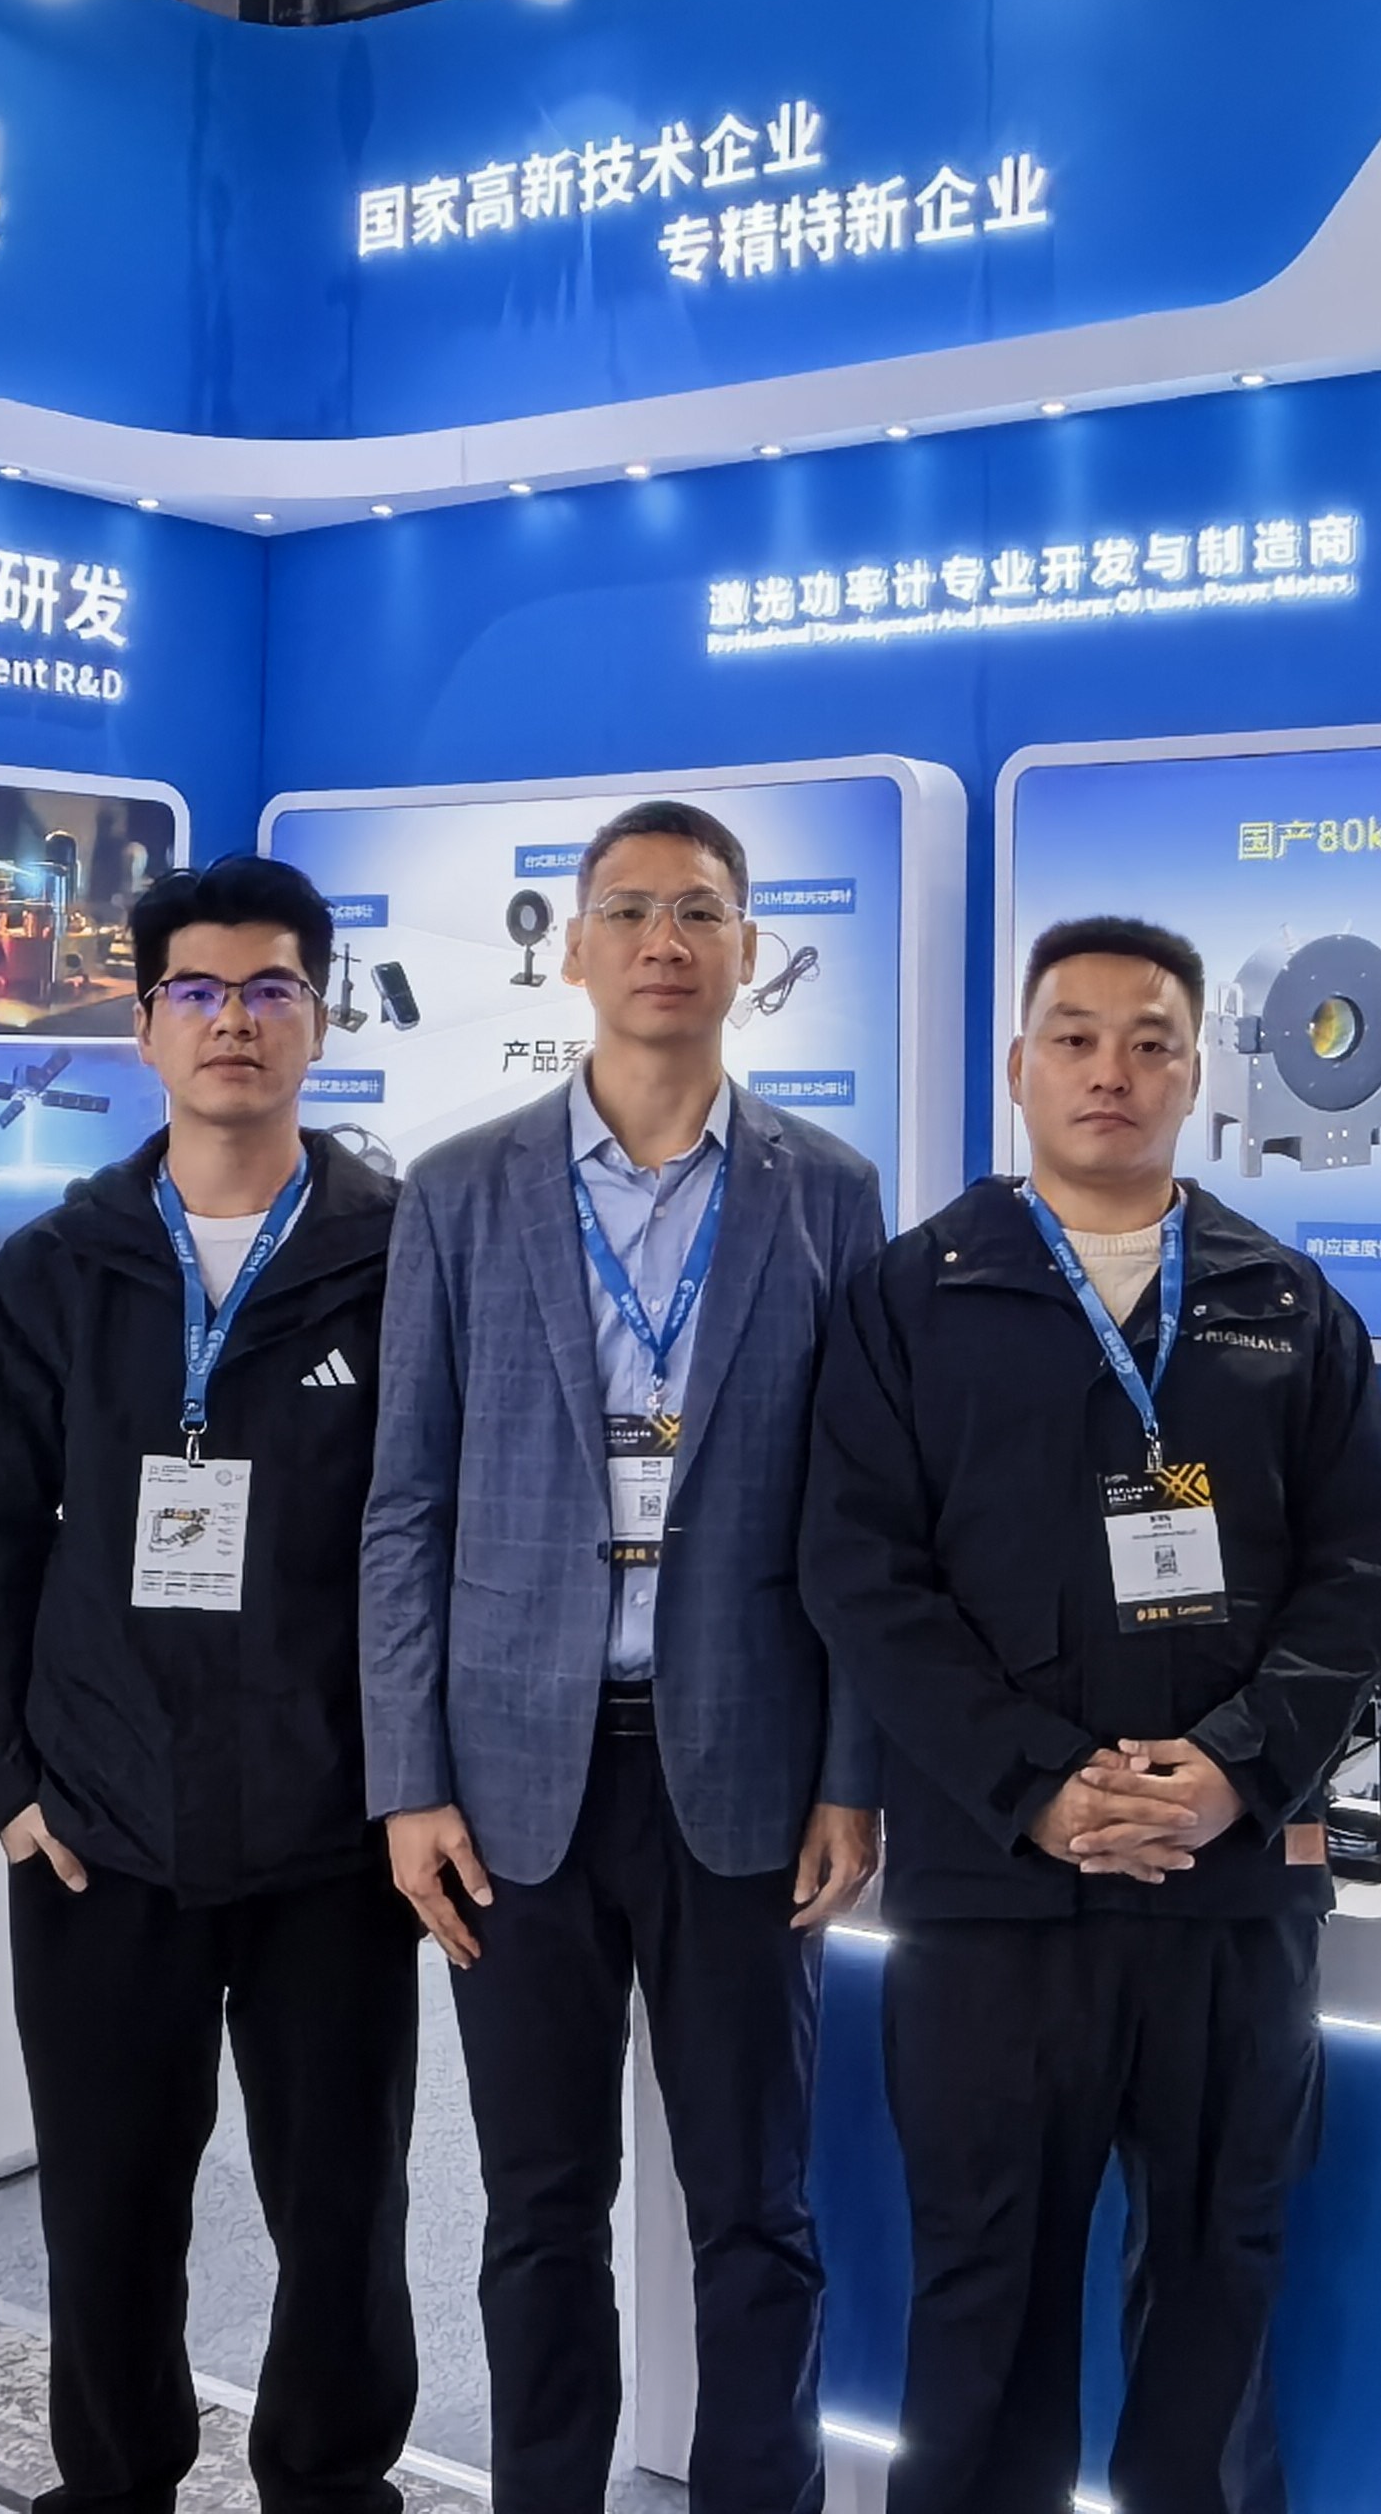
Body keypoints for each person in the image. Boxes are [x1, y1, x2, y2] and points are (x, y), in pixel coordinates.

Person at [800, 915, 1381, 2514]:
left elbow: (1356, 1572)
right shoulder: (910, 1297)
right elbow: (860, 1574)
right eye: (1073, 1039)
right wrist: (1040, 1785)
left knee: (1218, 2271)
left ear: (1197, 1076)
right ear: (1017, 1067)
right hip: (999, 1889)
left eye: (1150, 1043)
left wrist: (1229, 1772)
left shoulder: (1285, 1304)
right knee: (984, 2291)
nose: (1110, 1072)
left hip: (1228, 1888)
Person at [365, 798, 883, 2514]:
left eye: (702, 911)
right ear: (576, 948)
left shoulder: (827, 1193)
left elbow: (863, 1516)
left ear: (749, 952)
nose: (666, 940)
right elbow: (405, 1505)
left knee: (756, 2209)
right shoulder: (458, 1189)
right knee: (536, 2209)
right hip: (515, 1782)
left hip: (745, 1770)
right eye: (633, 910)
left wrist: (851, 1772)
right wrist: (408, 1780)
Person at [0, 854, 416, 2514]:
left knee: (339, 2206)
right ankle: (116, 2482)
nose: (234, 1022)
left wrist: (412, 1780)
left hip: (331, 1832)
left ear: (319, 1019)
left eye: (271, 989)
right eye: (197, 992)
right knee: (108, 2206)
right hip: (98, 1826)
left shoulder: (397, 1256)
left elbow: (435, 1538)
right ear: (144, 1027)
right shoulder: (59, 1263)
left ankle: (331, 2487)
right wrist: (3, 1785)